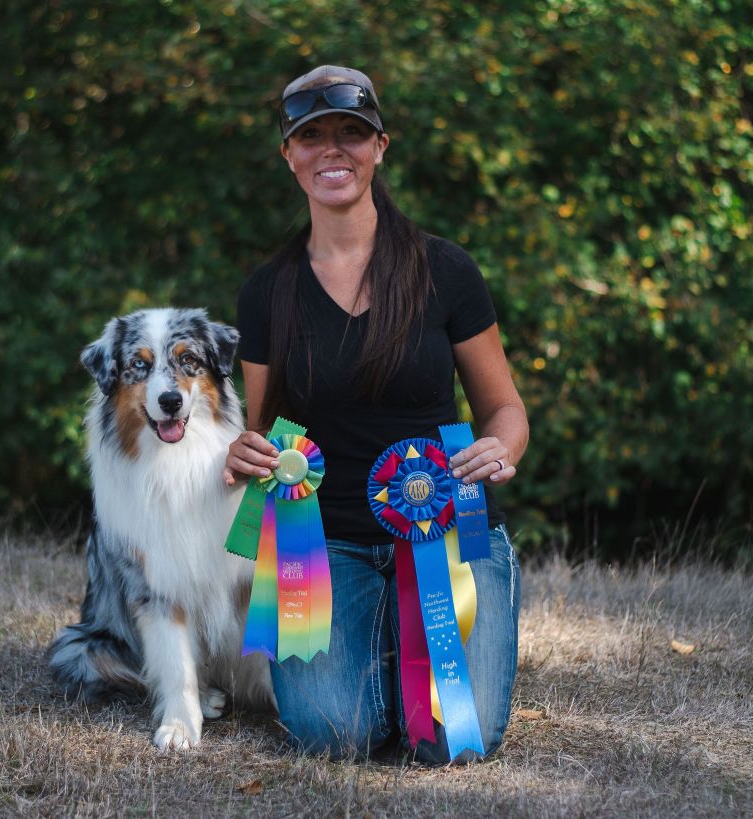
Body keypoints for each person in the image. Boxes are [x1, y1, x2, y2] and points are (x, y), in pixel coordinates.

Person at [223, 65, 528, 763]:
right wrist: (244, 450)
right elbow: (265, 430)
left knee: (454, 739)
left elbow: (504, 408)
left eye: (351, 133)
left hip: (444, 532)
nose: (332, 150)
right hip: (321, 545)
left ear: (380, 146)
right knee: (336, 736)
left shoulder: (447, 270)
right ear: (289, 155)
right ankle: (384, 652)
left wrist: (501, 447)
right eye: (312, 137)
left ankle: (421, 639)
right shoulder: (266, 291)